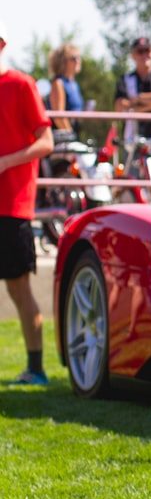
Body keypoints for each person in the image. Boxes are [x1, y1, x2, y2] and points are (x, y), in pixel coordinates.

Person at [0, 22, 55, 385]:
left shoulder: (21, 84)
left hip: (12, 204)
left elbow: (46, 141)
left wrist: (5, 162)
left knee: (19, 288)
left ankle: (36, 369)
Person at [114, 37, 151, 178]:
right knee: (132, 183)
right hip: (132, 140)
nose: (144, 55)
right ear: (133, 55)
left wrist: (139, 99)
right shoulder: (126, 79)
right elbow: (120, 105)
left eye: (147, 50)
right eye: (140, 51)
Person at [46, 42, 84, 138]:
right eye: (73, 58)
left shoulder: (74, 83)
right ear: (62, 62)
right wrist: (70, 135)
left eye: (79, 57)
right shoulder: (58, 83)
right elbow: (58, 116)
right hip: (61, 136)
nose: (78, 61)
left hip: (73, 132)